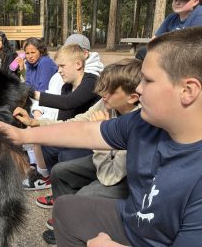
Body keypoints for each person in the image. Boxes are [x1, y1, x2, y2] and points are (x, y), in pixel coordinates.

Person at [0, 27, 202, 246]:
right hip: (133, 219)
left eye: (148, 81)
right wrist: (22, 134)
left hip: (154, 238)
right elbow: (85, 130)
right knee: (66, 208)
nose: (139, 89)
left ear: (188, 90)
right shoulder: (142, 123)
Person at [15, 58, 141, 244]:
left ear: (132, 98)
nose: (103, 94)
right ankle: (65, 223)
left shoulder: (137, 123)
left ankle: (81, 229)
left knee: (83, 199)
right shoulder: (109, 104)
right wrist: (37, 123)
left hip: (123, 176)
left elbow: (109, 177)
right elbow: (77, 121)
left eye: (111, 90)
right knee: (60, 172)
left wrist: (100, 134)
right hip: (107, 161)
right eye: (103, 87)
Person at [22, 43, 100, 190]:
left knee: (66, 154)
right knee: (47, 140)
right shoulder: (66, 87)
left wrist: (31, 93)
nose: (59, 71)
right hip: (74, 133)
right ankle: (54, 183)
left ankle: (67, 189)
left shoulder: (91, 81)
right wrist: (35, 122)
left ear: (78, 64)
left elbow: (68, 103)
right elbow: (63, 120)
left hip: (91, 140)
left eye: (62, 66)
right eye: (58, 67)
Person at [136, 0, 202, 60]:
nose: (177, 3)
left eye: (183, 0)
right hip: (174, 52)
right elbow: (154, 40)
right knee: (143, 52)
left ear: (195, 2)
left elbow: (192, 47)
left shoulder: (199, 15)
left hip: (192, 57)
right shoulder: (172, 17)